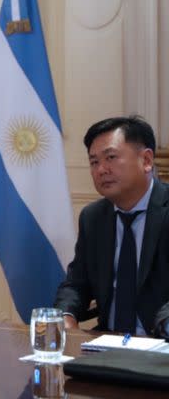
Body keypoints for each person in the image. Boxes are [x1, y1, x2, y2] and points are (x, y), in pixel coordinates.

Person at [54, 116, 169, 336]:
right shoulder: (94, 217)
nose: (101, 170)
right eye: (94, 162)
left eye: (111, 157)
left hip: (160, 347)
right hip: (107, 344)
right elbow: (76, 284)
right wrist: (66, 316)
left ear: (146, 160)